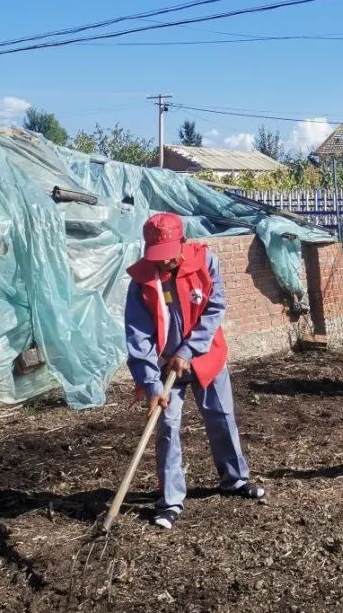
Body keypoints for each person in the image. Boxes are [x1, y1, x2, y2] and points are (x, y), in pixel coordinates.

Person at [125, 212, 264, 529]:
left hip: (205, 354)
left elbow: (215, 307)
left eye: (169, 255)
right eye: (157, 256)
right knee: (167, 427)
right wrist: (151, 384)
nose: (164, 263)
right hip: (164, 366)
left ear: (183, 242)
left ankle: (235, 479)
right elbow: (138, 334)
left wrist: (188, 350)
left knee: (221, 415)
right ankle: (170, 500)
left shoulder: (205, 262)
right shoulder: (142, 280)